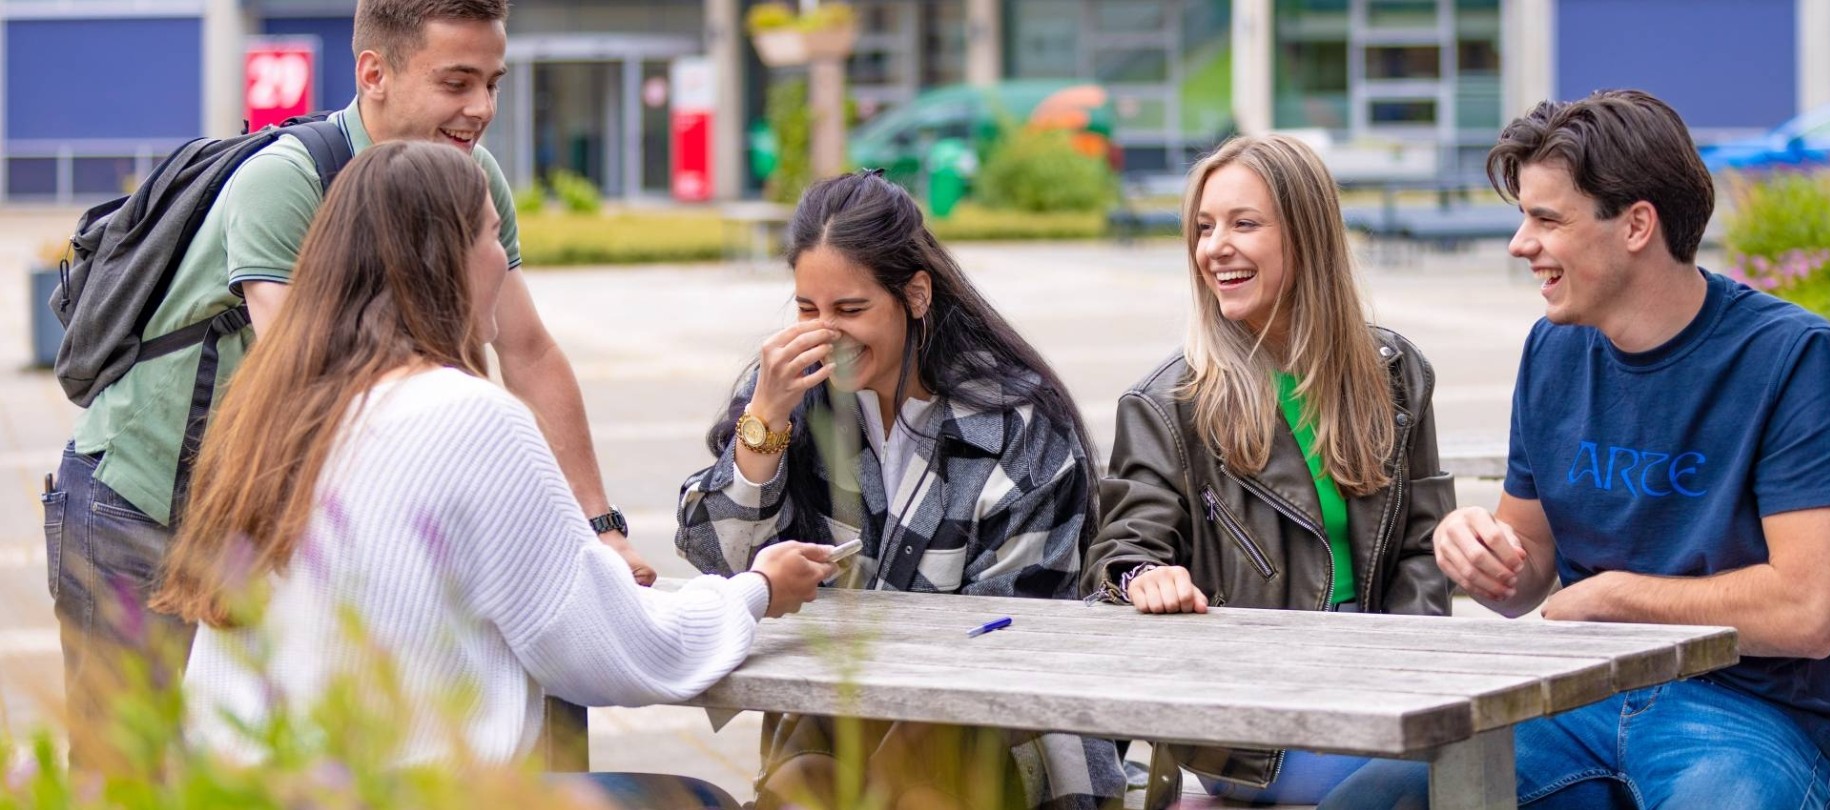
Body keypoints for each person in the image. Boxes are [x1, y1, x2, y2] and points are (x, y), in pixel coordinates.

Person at [41, 0, 651, 767]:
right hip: (141, 501)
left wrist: (600, 531)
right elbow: (313, 384)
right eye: (457, 82)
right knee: (127, 769)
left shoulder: (468, 177)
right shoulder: (286, 182)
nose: (482, 110)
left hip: (255, 515)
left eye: (494, 83)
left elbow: (526, 350)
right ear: (374, 74)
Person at [148, 141, 834, 810]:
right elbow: (609, 648)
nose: (504, 258)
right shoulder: (468, 415)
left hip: (237, 789)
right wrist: (755, 590)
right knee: (701, 799)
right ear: (438, 261)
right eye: (488, 233)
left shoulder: (269, 409)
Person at [1323, 89, 1830, 810]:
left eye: (1547, 219)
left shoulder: (1793, 356)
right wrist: (1475, 548)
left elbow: (1810, 611)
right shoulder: (1554, 348)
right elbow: (1526, 580)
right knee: (1364, 803)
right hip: (1577, 700)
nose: (1522, 244)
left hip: (1749, 717)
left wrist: (1617, 597)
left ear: (1637, 225)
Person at [675, 170, 1123, 810]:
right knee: (805, 788)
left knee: (899, 786)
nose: (826, 331)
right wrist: (764, 423)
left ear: (916, 295)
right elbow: (720, 564)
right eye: (807, 308)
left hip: (999, 735)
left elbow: (1012, 635)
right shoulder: (791, 399)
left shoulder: (1017, 425)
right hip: (834, 722)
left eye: (851, 310)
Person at [1081, 133, 1453, 805]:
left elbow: (1425, 549)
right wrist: (1145, 578)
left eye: (1243, 223)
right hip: (1252, 725)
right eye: (1203, 227)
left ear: (1306, 236)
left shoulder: (1396, 375)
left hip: (1380, 688)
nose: (1214, 246)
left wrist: (1404, 678)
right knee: (1426, 780)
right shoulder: (1169, 403)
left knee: (1508, 758)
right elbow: (1122, 550)